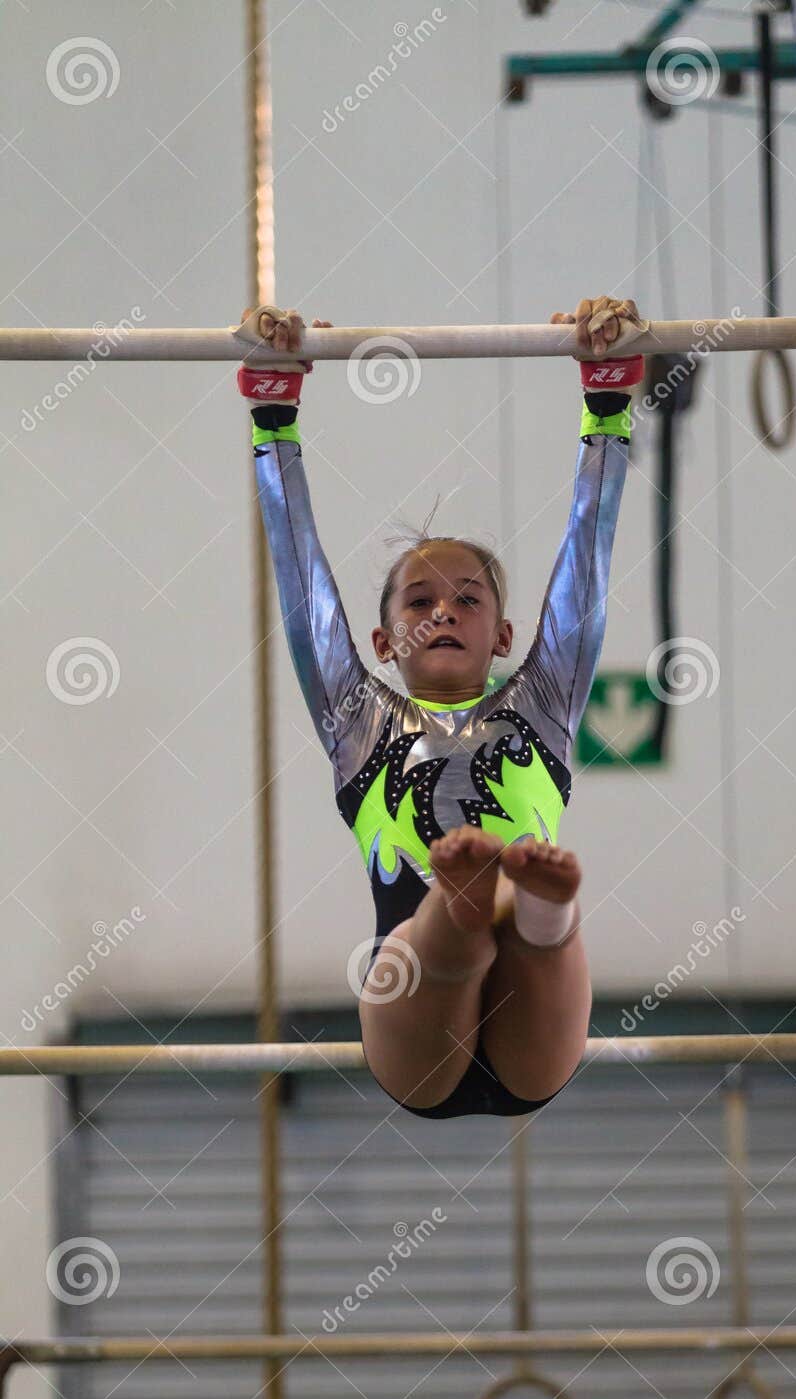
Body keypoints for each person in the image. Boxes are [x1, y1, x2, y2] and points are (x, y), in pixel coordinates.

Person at [238, 295, 644, 1118]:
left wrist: (607, 402)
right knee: (443, 936)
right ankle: (477, 903)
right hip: (415, 1012)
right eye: (419, 600)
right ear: (383, 643)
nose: (445, 610)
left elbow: (587, 569)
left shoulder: (543, 703)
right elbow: (300, 584)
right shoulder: (358, 720)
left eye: (467, 599)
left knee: (535, 935)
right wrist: (271, 418)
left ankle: (518, 908)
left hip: (534, 1021)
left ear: (506, 636)